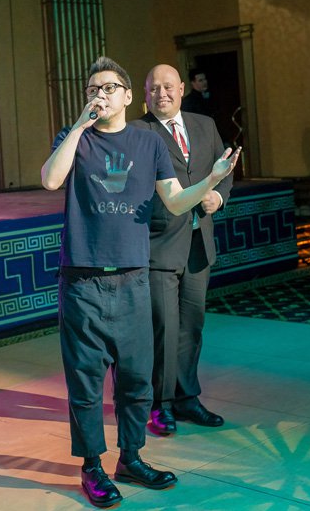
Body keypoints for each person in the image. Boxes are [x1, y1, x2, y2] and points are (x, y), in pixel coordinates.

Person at [41, 56, 239, 508]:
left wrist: (211, 180)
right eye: (93, 89)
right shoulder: (75, 138)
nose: (101, 94)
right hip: (83, 282)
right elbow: (51, 180)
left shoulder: (148, 143)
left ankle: (130, 458)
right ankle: (92, 466)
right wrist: (79, 126)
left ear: (129, 97)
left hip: (134, 278)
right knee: (86, 384)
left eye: (110, 87)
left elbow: (175, 202)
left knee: (135, 381)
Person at [132, 64, 233, 438]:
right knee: (163, 328)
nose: (162, 93)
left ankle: (187, 397)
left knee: (192, 326)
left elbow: (225, 171)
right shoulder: (137, 132)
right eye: (154, 88)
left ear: (180, 89)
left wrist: (217, 198)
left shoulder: (204, 125)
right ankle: (160, 405)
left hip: (197, 243)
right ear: (145, 94)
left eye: (168, 86)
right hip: (158, 244)